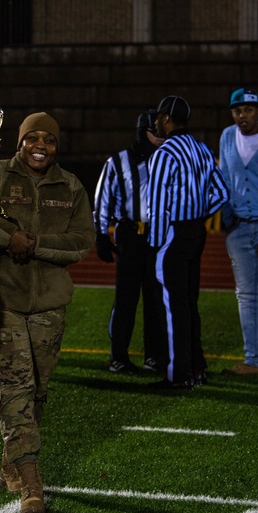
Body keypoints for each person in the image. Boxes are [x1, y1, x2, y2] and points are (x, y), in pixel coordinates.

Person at [0, 112, 94, 513]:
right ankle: (31, 481)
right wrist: (9, 238)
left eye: (49, 140)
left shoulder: (71, 186)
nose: (41, 146)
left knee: (37, 389)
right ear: (18, 142)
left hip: (50, 305)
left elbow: (80, 243)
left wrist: (33, 243)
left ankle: (11, 461)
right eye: (32, 139)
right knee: (16, 388)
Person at [147, 95, 230, 389]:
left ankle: (178, 374)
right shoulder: (202, 149)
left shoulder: (165, 153)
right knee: (188, 302)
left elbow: (157, 205)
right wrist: (197, 213)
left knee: (174, 306)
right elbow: (221, 193)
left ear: (167, 119)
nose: (156, 121)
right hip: (197, 231)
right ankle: (197, 366)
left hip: (174, 234)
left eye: (158, 116)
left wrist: (155, 243)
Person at [93, 109, 166, 375]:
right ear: (141, 131)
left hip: (158, 236)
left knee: (156, 298)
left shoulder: (168, 160)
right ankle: (119, 356)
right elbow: (103, 201)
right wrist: (101, 235)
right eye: (154, 132)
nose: (159, 137)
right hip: (130, 234)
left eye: (162, 132)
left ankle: (155, 356)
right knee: (126, 298)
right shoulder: (119, 162)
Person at [218, 88, 258, 376]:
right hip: (239, 227)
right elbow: (223, 178)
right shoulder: (226, 136)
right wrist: (227, 217)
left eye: (247, 109)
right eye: (237, 110)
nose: (242, 115)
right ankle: (254, 359)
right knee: (246, 294)